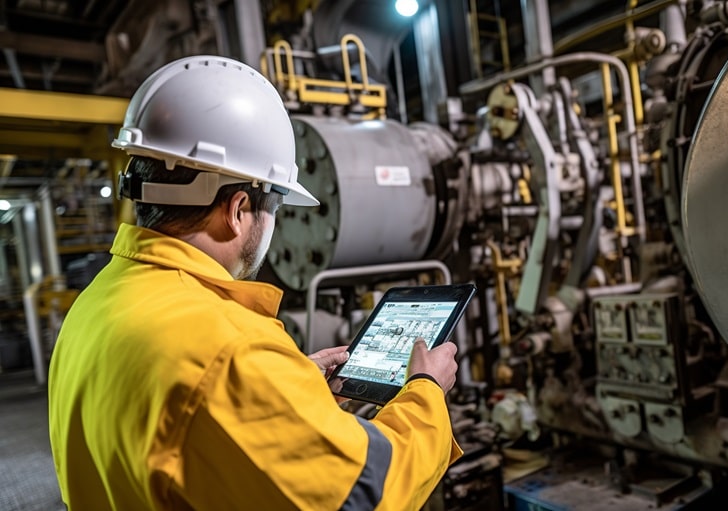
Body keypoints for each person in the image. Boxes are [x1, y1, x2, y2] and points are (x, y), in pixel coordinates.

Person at [48, 55, 462, 510]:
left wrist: (288, 388)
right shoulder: (231, 352)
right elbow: (367, 492)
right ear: (239, 209)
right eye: (276, 206)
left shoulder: (92, 308)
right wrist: (426, 390)